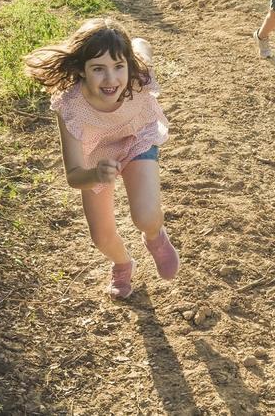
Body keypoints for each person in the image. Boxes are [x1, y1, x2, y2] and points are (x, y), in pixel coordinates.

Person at [24, 18, 178, 299]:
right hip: (96, 159)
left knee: (145, 217)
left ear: (128, 64)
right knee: (102, 236)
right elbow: (73, 175)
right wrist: (95, 175)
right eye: (98, 69)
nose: (111, 80)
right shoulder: (70, 106)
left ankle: (155, 237)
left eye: (118, 67)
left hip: (136, 139)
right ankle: (122, 263)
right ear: (81, 70)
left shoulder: (138, 76)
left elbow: (142, 46)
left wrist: (138, 47)